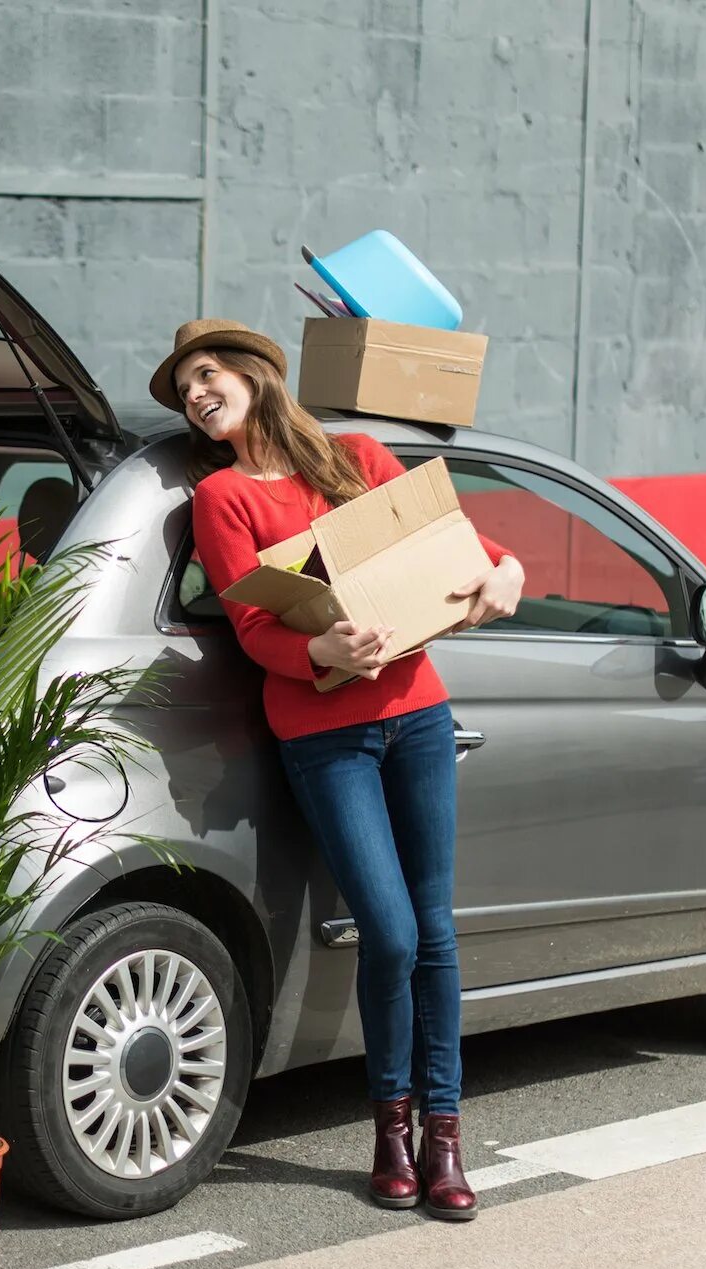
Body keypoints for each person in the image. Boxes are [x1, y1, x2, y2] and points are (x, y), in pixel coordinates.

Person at [156, 318, 524, 1220]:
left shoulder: (354, 455)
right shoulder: (223, 498)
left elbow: (449, 544)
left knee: (433, 933)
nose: (199, 396)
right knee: (391, 933)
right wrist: (319, 642)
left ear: (254, 373)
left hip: (418, 717)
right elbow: (253, 630)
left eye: (208, 376)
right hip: (323, 735)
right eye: (186, 390)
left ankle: (442, 1138)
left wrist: (505, 569)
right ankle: (387, 1126)